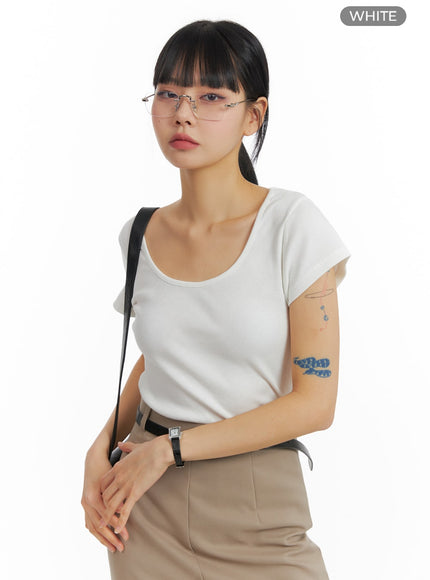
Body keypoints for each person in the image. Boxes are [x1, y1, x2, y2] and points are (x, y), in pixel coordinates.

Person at [81, 19, 351, 579]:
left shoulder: (292, 226)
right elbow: (163, 358)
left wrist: (172, 449)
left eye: (210, 97)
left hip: (255, 500)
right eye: (169, 93)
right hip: (144, 504)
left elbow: (315, 404)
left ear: (254, 115)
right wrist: (100, 446)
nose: (183, 113)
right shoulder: (140, 234)